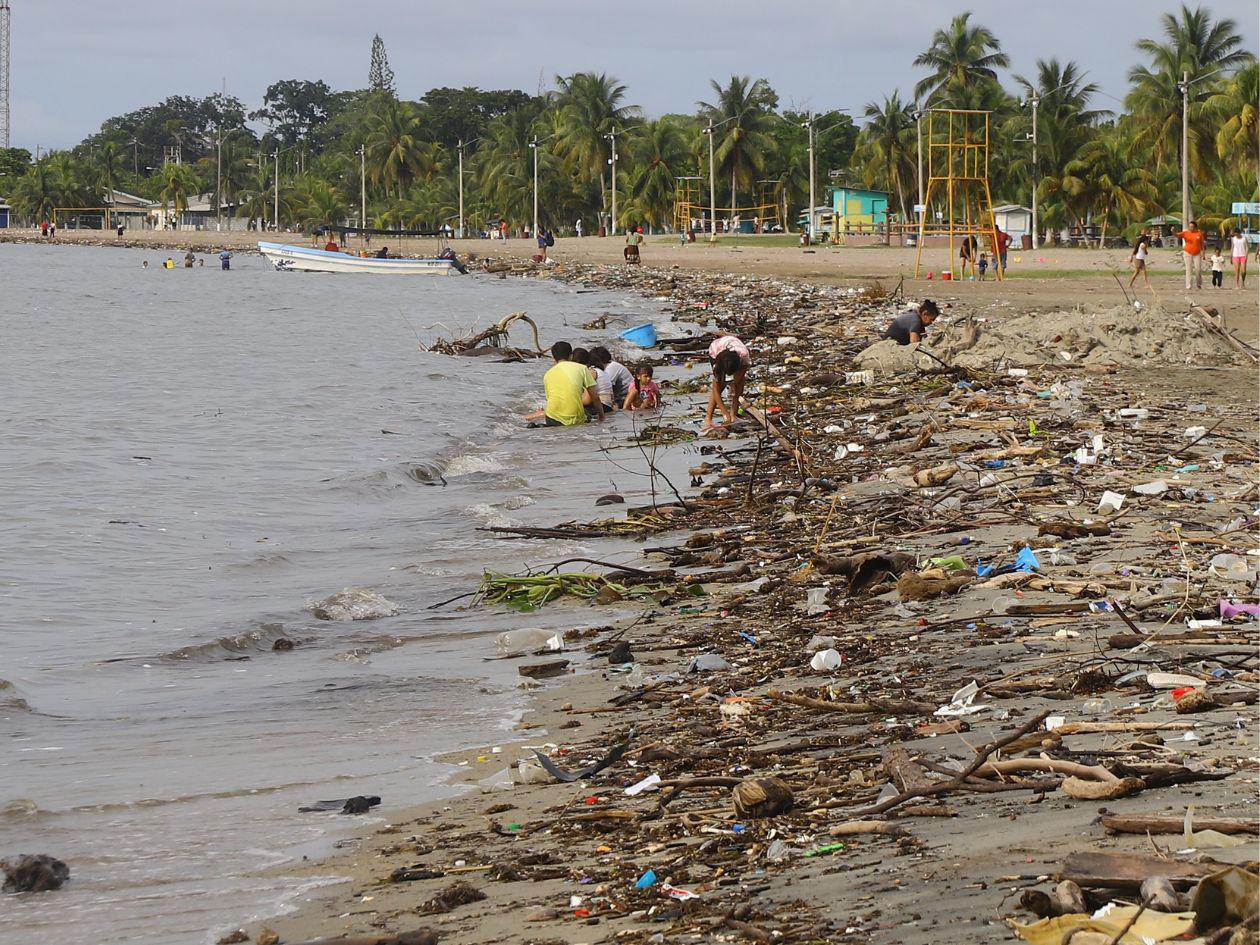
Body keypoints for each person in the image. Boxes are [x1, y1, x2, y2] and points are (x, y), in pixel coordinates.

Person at [524, 341, 602, 426]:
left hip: (551, 419)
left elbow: (551, 399)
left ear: (553, 358)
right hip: (574, 419)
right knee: (588, 417)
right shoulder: (582, 368)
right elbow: (595, 397)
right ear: (571, 356)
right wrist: (601, 416)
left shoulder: (547, 374)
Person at [704, 335, 750, 429]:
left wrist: (732, 414)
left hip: (735, 351)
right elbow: (715, 390)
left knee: (739, 383)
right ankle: (708, 418)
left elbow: (738, 385)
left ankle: (734, 414)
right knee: (719, 385)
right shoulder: (716, 361)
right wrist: (725, 414)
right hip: (716, 349)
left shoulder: (744, 356)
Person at [1174, 220, 1205, 290]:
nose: (1191, 228)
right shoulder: (1186, 233)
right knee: (1189, 269)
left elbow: (1202, 244)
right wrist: (1173, 231)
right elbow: (1177, 235)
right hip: (1188, 252)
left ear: (1195, 227)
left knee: (1198, 269)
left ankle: (1199, 283)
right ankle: (1188, 285)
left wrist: (1203, 253)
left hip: (1197, 253)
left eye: (1192, 227)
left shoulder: (1199, 234)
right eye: (1190, 227)